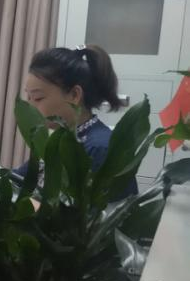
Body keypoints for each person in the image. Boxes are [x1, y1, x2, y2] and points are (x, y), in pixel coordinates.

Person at [19, 44, 137, 198]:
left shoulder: (100, 150)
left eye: (37, 98)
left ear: (74, 95)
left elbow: (97, 212)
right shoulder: (58, 138)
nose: (29, 106)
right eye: (28, 97)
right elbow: (18, 179)